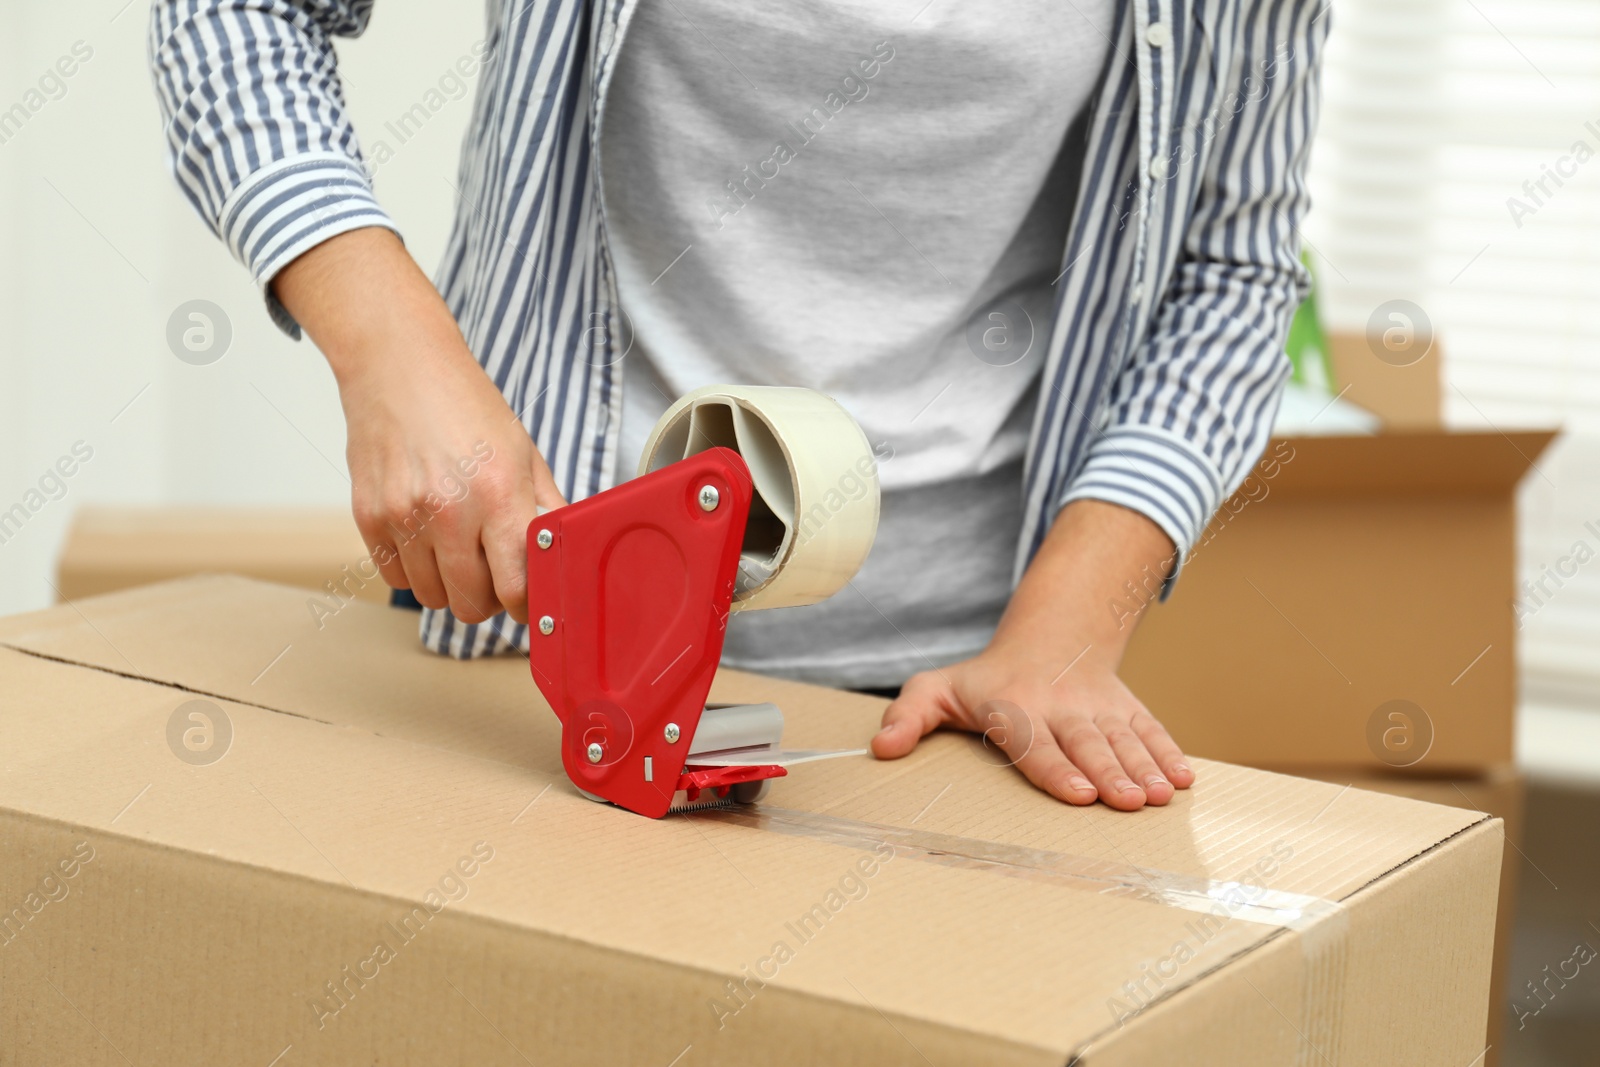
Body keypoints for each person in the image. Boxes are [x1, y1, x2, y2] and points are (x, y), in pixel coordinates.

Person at [150, 0, 1325, 812]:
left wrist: (1063, 636)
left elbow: (1233, 266)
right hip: (541, 655)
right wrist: (393, 352)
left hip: (950, 696)